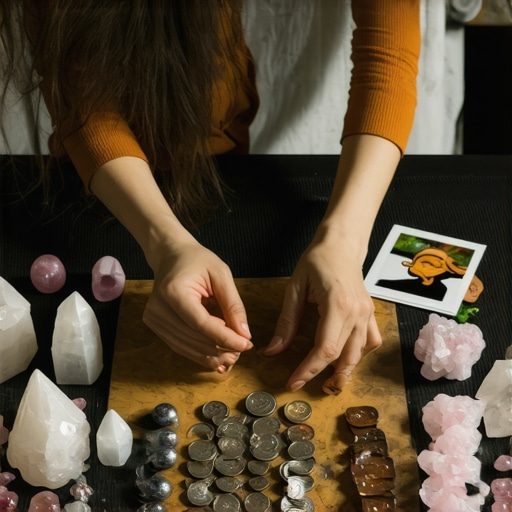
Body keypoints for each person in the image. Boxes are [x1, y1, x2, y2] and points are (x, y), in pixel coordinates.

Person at [0, 1, 421, 395]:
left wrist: (344, 244)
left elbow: (388, 58)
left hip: (229, 153)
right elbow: (83, 97)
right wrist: (168, 245)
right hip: (101, 184)